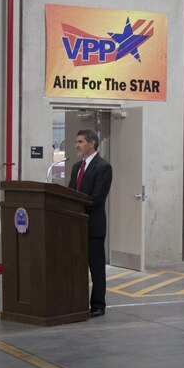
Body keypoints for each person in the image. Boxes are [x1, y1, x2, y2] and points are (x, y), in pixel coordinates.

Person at [68, 129, 113, 317]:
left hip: (93, 225)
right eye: (76, 141)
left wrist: (77, 209)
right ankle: (76, 301)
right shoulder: (76, 167)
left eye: (80, 141)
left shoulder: (103, 167)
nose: (77, 145)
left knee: (96, 268)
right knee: (76, 266)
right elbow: (69, 193)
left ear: (92, 143)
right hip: (75, 226)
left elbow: (97, 199)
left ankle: (98, 304)